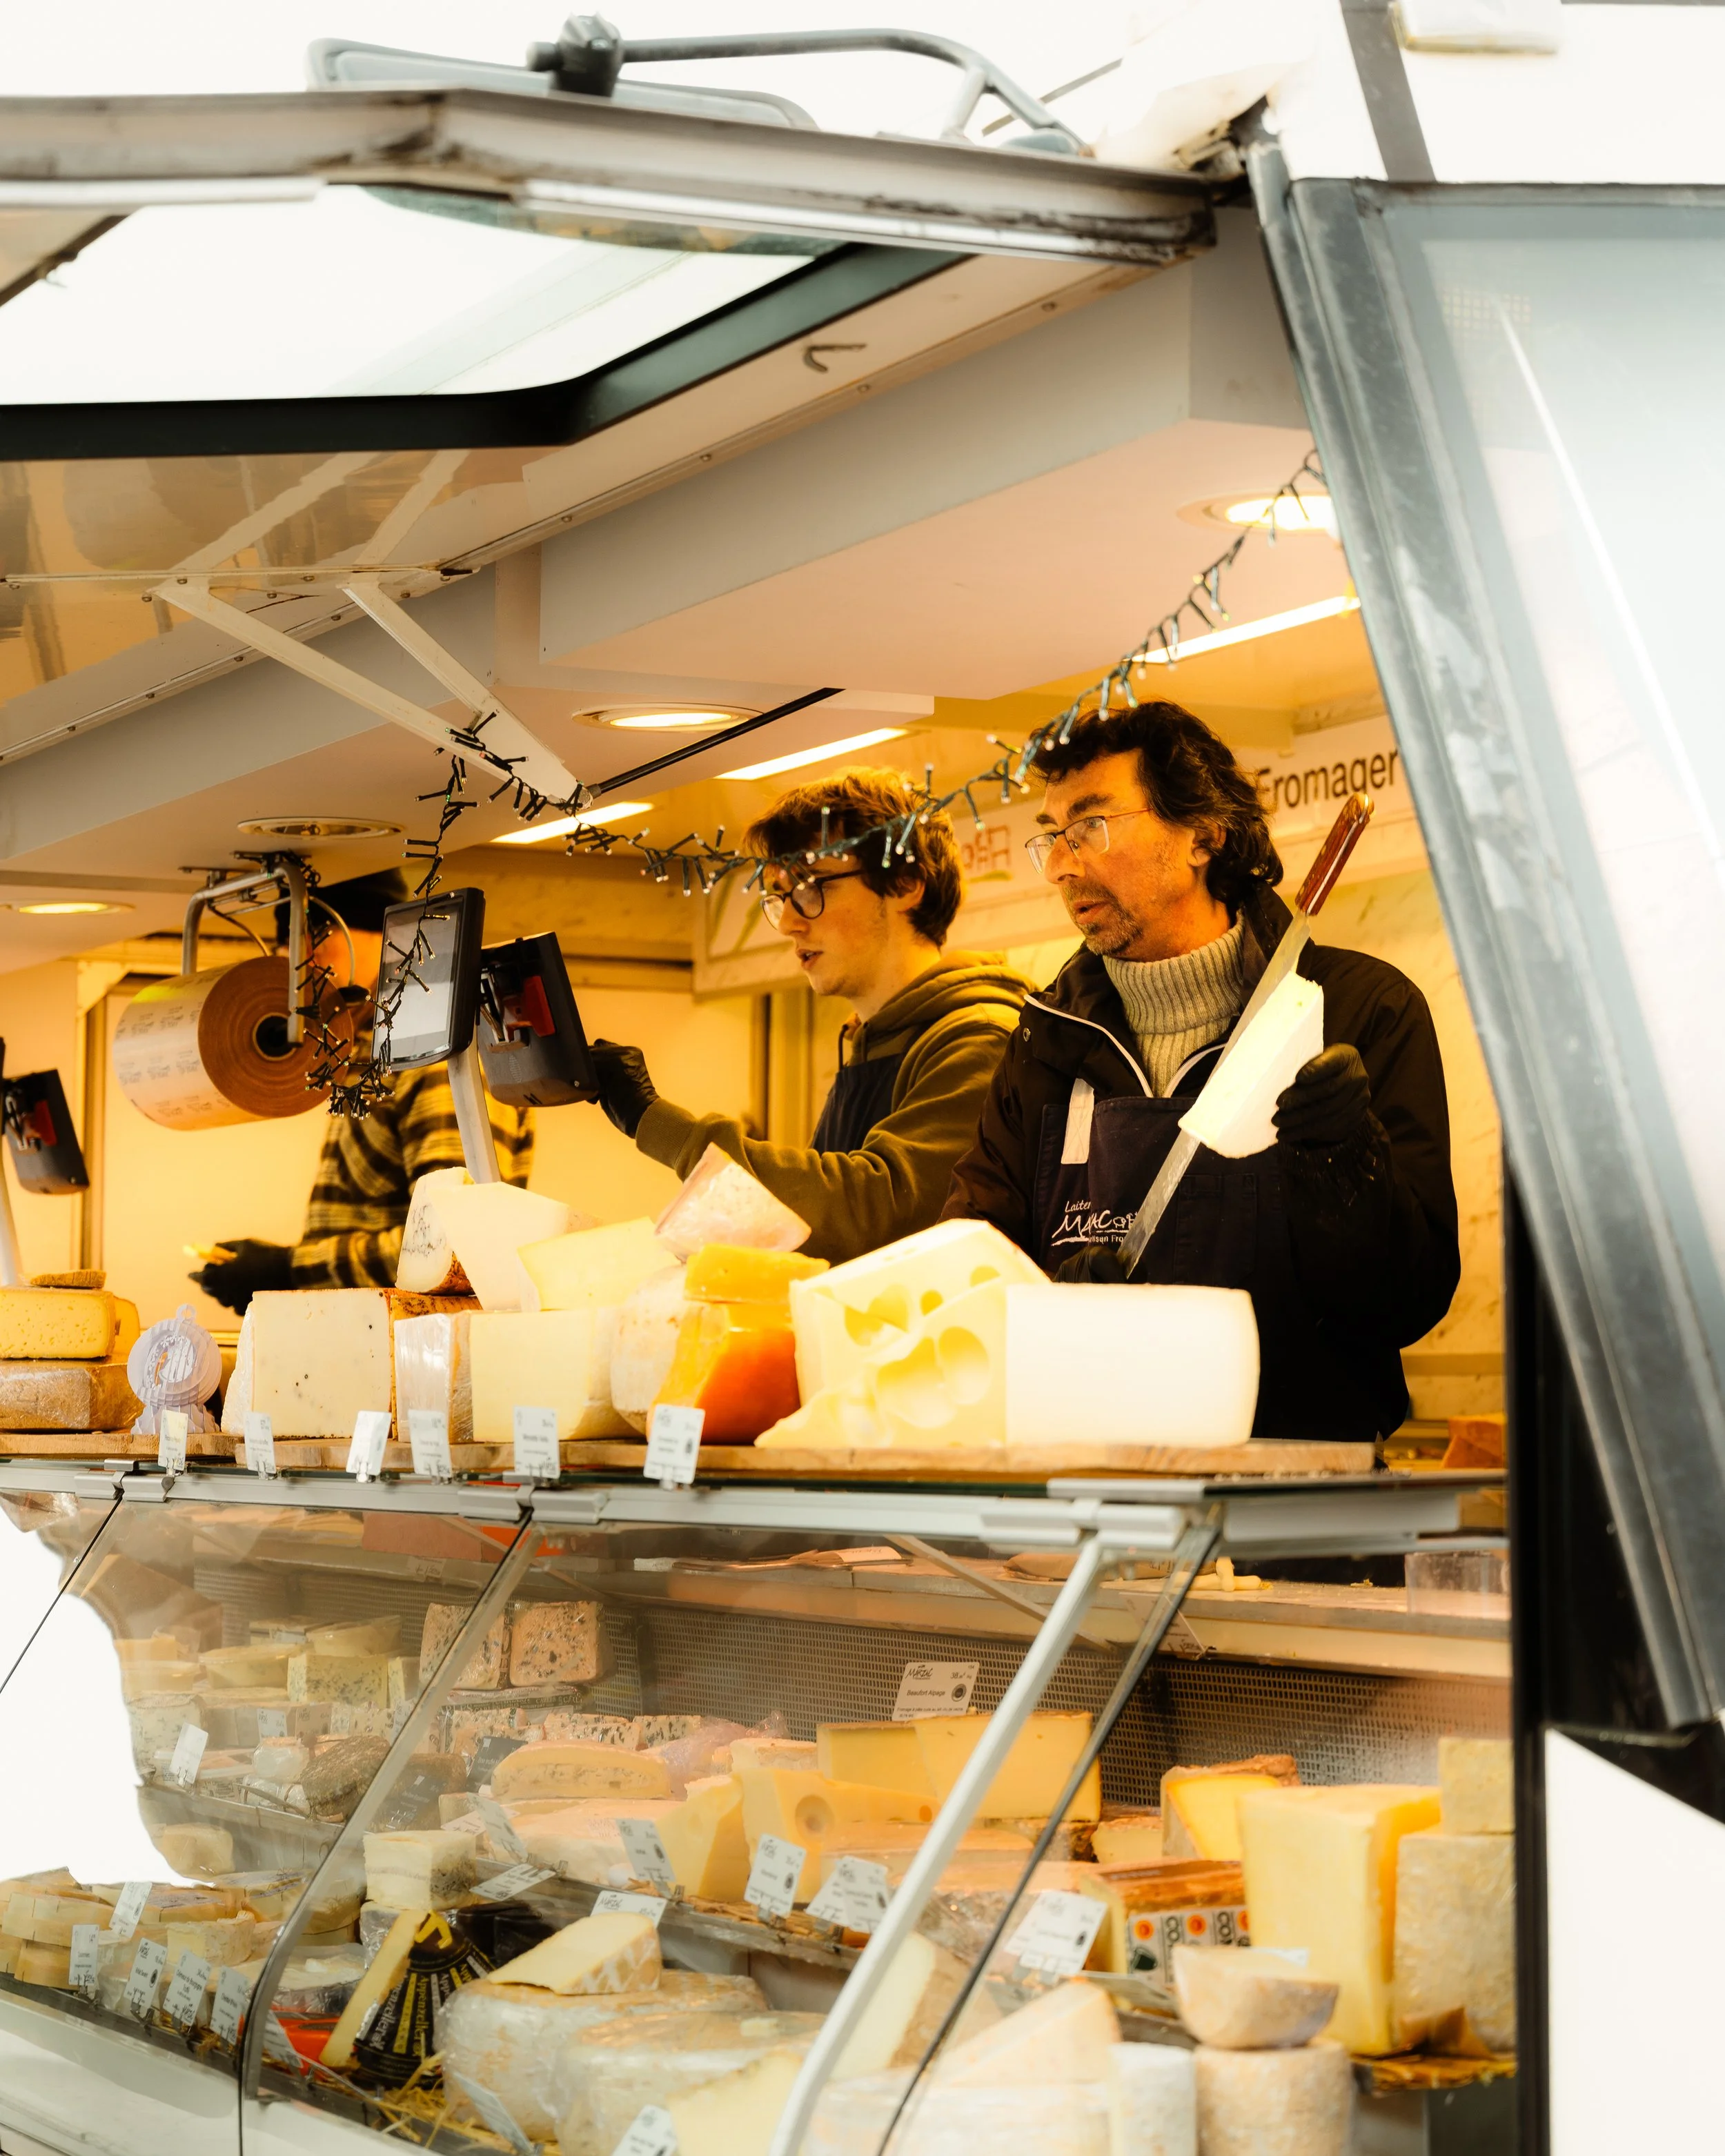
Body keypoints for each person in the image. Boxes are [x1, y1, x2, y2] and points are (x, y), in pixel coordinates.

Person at [945, 702, 1459, 1442]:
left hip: (1299, 1513)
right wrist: (1047, 1303)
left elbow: (1406, 1301)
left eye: (1090, 825)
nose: (1061, 864)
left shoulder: (1362, 1010)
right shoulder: (1045, 1043)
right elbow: (968, 1273)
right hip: (1085, 1510)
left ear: (1202, 835)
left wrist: (1350, 1161)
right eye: (1051, 837)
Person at [589, 769, 1030, 1264]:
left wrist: (662, 1124)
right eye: (782, 897)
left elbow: (873, 1209)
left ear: (907, 884)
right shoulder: (868, 1041)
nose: (791, 923)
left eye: (812, 888)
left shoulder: (979, 1037)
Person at [192, 872, 532, 1312]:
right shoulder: (369, 1050)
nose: (294, 961)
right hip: (371, 1342)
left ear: (383, 937)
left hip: (416, 1356)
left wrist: (292, 1268)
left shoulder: (432, 1053)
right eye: (284, 945)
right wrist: (289, 1271)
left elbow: (454, 1240)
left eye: (314, 937)